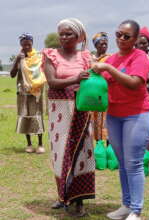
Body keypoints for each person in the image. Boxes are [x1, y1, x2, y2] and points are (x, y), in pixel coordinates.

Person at [92, 20, 149, 220]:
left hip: (137, 114)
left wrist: (108, 69)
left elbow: (134, 83)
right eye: (118, 34)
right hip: (114, 116)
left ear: (135, 39)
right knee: (122, 163)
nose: (120, 39)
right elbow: (103, 82)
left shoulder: (140, 57)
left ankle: (136, 209)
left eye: (126, 36)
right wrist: (91, 73)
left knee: (133, 163)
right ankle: (126, 205)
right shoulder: (112, 59)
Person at [42, 18, 95, 217]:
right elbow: (52, 82)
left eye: (68, 34)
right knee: (61, 153)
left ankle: (79, 201)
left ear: (78, 37)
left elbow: (95, 78)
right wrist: (76, 78)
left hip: (81, 110)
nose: (64, 37)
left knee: (81, 152)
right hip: (60, 112)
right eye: (61, 34)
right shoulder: (50, 55)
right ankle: (62, 196)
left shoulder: (86, 56)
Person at [10, 33, 45, 154]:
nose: (26, 46)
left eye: (28, 44)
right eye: (24, 44)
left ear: (32, 43)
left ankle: (40, 144)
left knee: (37, 116)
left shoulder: (38, 56)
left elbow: (42, 73)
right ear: (21, 44)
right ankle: (29, 144)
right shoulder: (19, 58)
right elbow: (12, 74)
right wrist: (17, 60)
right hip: (23, 93)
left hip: (36, 93)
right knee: (24, 116)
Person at [92, 32, 110, 143]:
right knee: (96, 122)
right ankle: (99, 150)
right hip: (93, 95)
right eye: (101, 43)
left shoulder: (110, 58)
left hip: (107, 94)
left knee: (107, 123)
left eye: (105, 43)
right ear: (96, 45)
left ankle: (109, 149)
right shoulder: (91, 59)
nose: (104, 46)